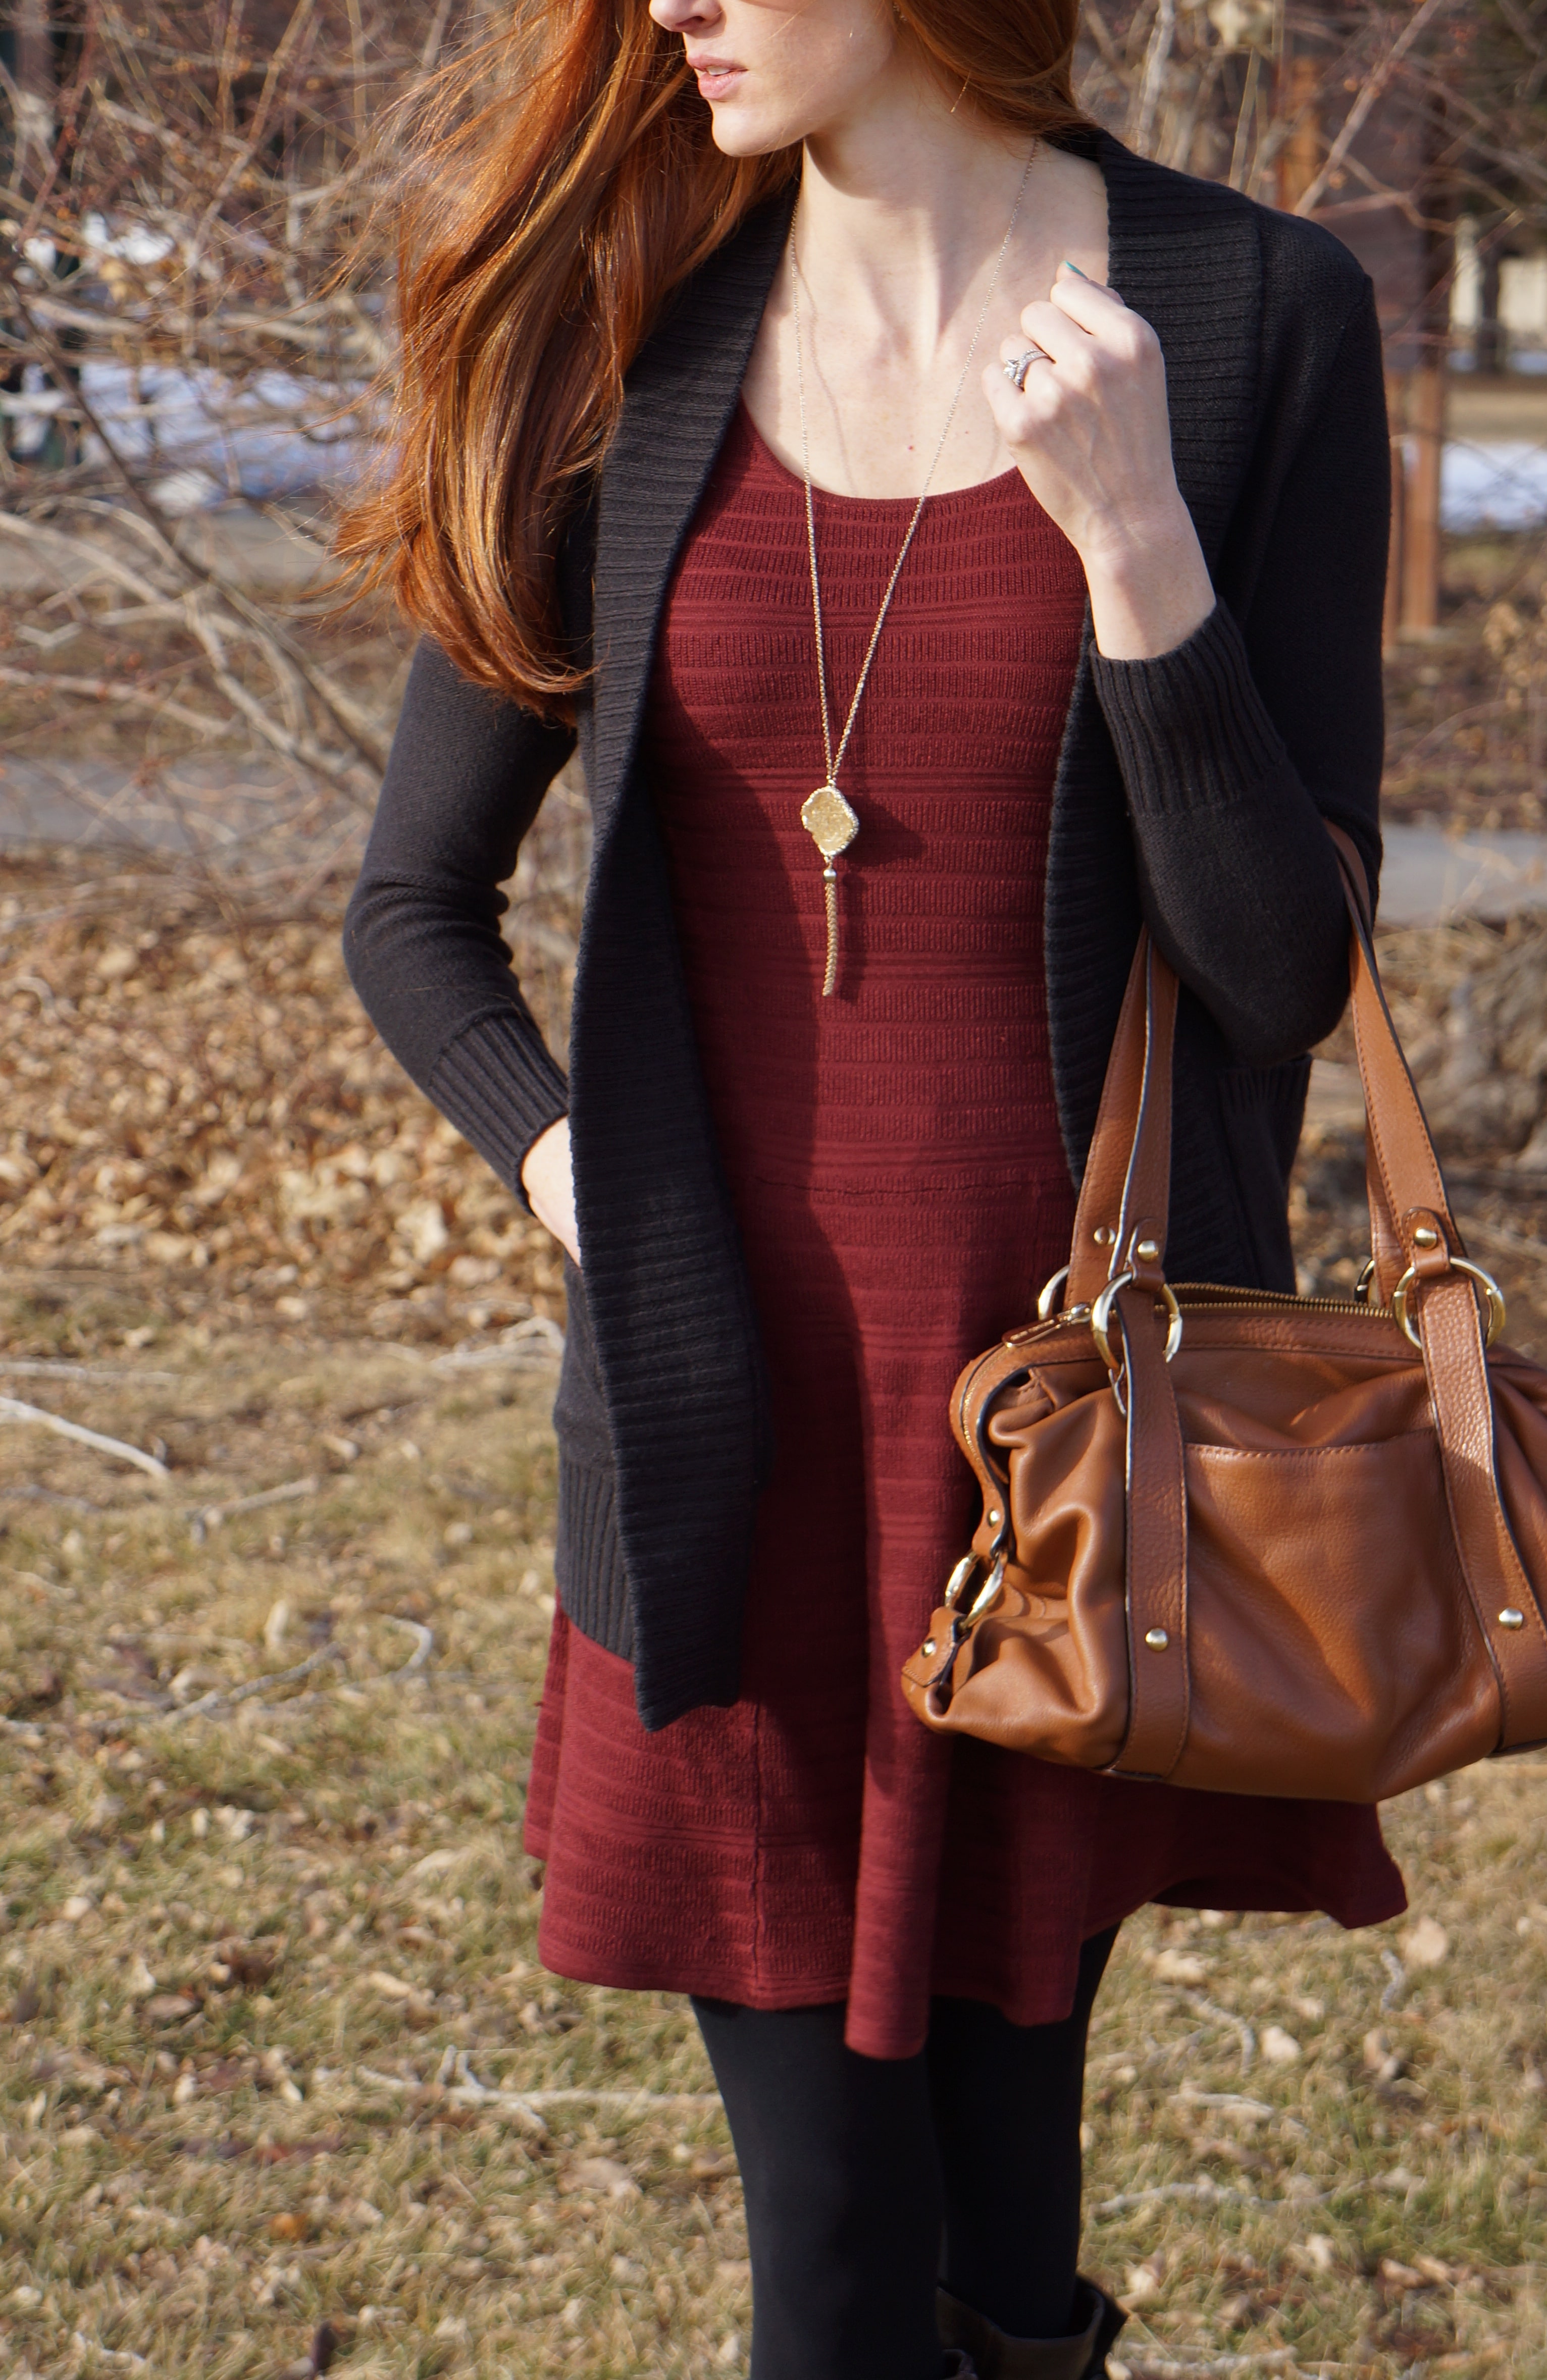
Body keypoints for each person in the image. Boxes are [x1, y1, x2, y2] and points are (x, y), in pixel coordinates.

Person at [339, 0, 1406, 2368]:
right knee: (831, 2263)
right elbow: (410, 911)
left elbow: (1280, 979)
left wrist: (1134, 534)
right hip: (731, 1453)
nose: (672, 7)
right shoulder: (617, 337)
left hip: (1076, 1468)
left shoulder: (1245, 320)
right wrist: (577, 1171)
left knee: (1002, 2247)